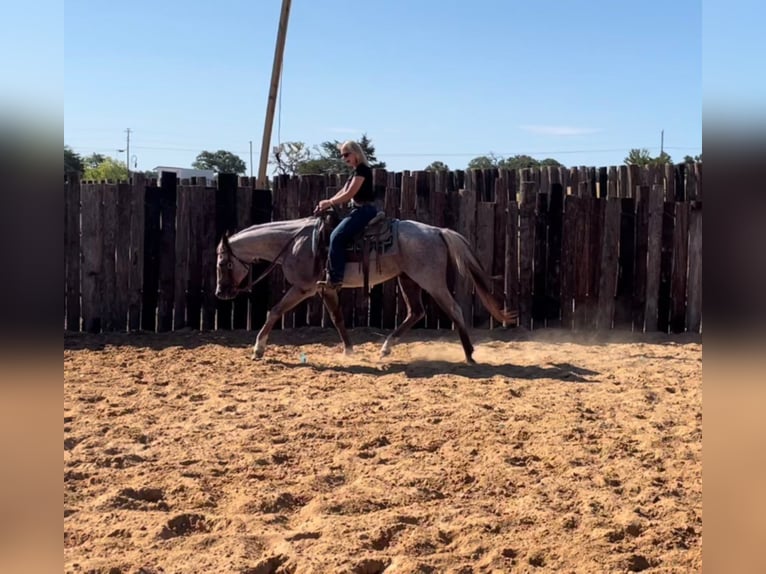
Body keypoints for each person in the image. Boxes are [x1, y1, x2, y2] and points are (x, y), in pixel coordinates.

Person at [314, 140, 378, 290]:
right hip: (359, 210)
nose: (344, 158)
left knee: (336, 236)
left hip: (365, 211)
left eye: (346, 154)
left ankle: (335, 279)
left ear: (355, 153)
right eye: (342, 156)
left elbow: (350, 194)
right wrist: (326, 203)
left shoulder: (363, 170)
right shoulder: (355, 171)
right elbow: (343, 191)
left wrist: (330, 203)